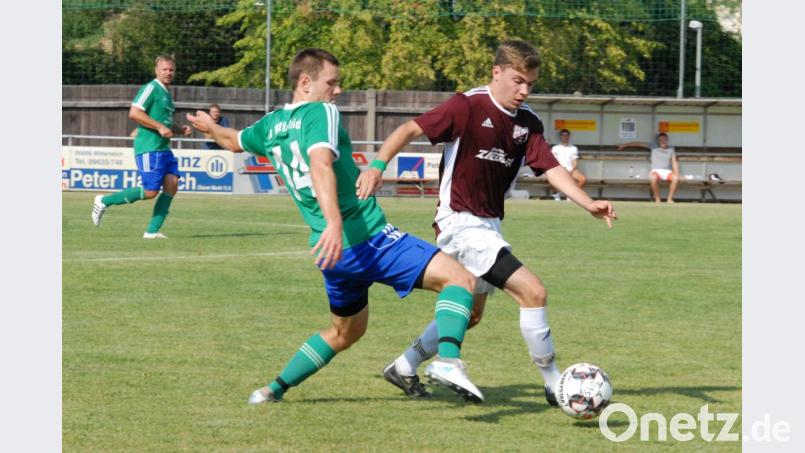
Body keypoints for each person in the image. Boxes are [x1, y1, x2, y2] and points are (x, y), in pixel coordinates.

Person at [185, 48, 485, 404]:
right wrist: (333, 221)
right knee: (461, 280)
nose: (338, 90)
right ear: (305, 82)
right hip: (365, 237)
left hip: (333, 255)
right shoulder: (321, 112)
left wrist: (211, 127)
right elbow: (320, 164)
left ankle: (271, 390)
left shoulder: (272, 125)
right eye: (332, 82)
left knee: (345, 332)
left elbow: (233, 141)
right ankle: (448, 362)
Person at [356, 40, 617, 405]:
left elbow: (551, 168)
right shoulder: (468, 105)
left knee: (471, 314)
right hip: (459, 222)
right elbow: (409, 130)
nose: (524, 90)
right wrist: (377, 165)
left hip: (488, 225)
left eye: (530, 84)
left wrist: (588, 203)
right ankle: (554, 383)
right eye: (518, 81)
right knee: (533, 292)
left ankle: (404, 364)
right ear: (497, 73)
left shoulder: (528, 123)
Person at [91, 55, 191, 238]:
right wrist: (160, 127)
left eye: (171, 69)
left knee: (172, 184)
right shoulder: (151, 88)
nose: (168, 72)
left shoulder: (167, 94)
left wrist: (179, 129)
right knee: (151, 191)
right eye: (164, 69)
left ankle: (152, 232)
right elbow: (134, 113)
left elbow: (165, 123)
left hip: (163, 148)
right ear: (156, 70)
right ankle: (104, 200)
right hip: (149, 147)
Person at [618, 132, 679, 203]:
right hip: (656, 171)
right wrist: (624, 145)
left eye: (664, 139)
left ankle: (669, 199)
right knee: (653, 178)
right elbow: (638, 143)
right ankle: (657, 199)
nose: (662, 141)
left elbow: (674, 162)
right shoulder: (653, 146)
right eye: (660, 140)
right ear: (658, 141)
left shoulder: (671, 149)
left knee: (675, 178)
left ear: (667, 140)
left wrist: (677, 174)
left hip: (667, 171)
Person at [550, 128, 586, 200]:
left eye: (566, 135)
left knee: (582, 180)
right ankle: (556, 195)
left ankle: (571, 196)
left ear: (569, 136)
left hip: (571, 170)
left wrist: (571, 170)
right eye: (563, 135)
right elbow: (553, 161)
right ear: (560, 136)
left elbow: (574, 162)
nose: (565, 137)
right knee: (550, 178)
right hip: (558, 170)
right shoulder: (555, 148)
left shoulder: (573, 148)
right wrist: (562, 169)